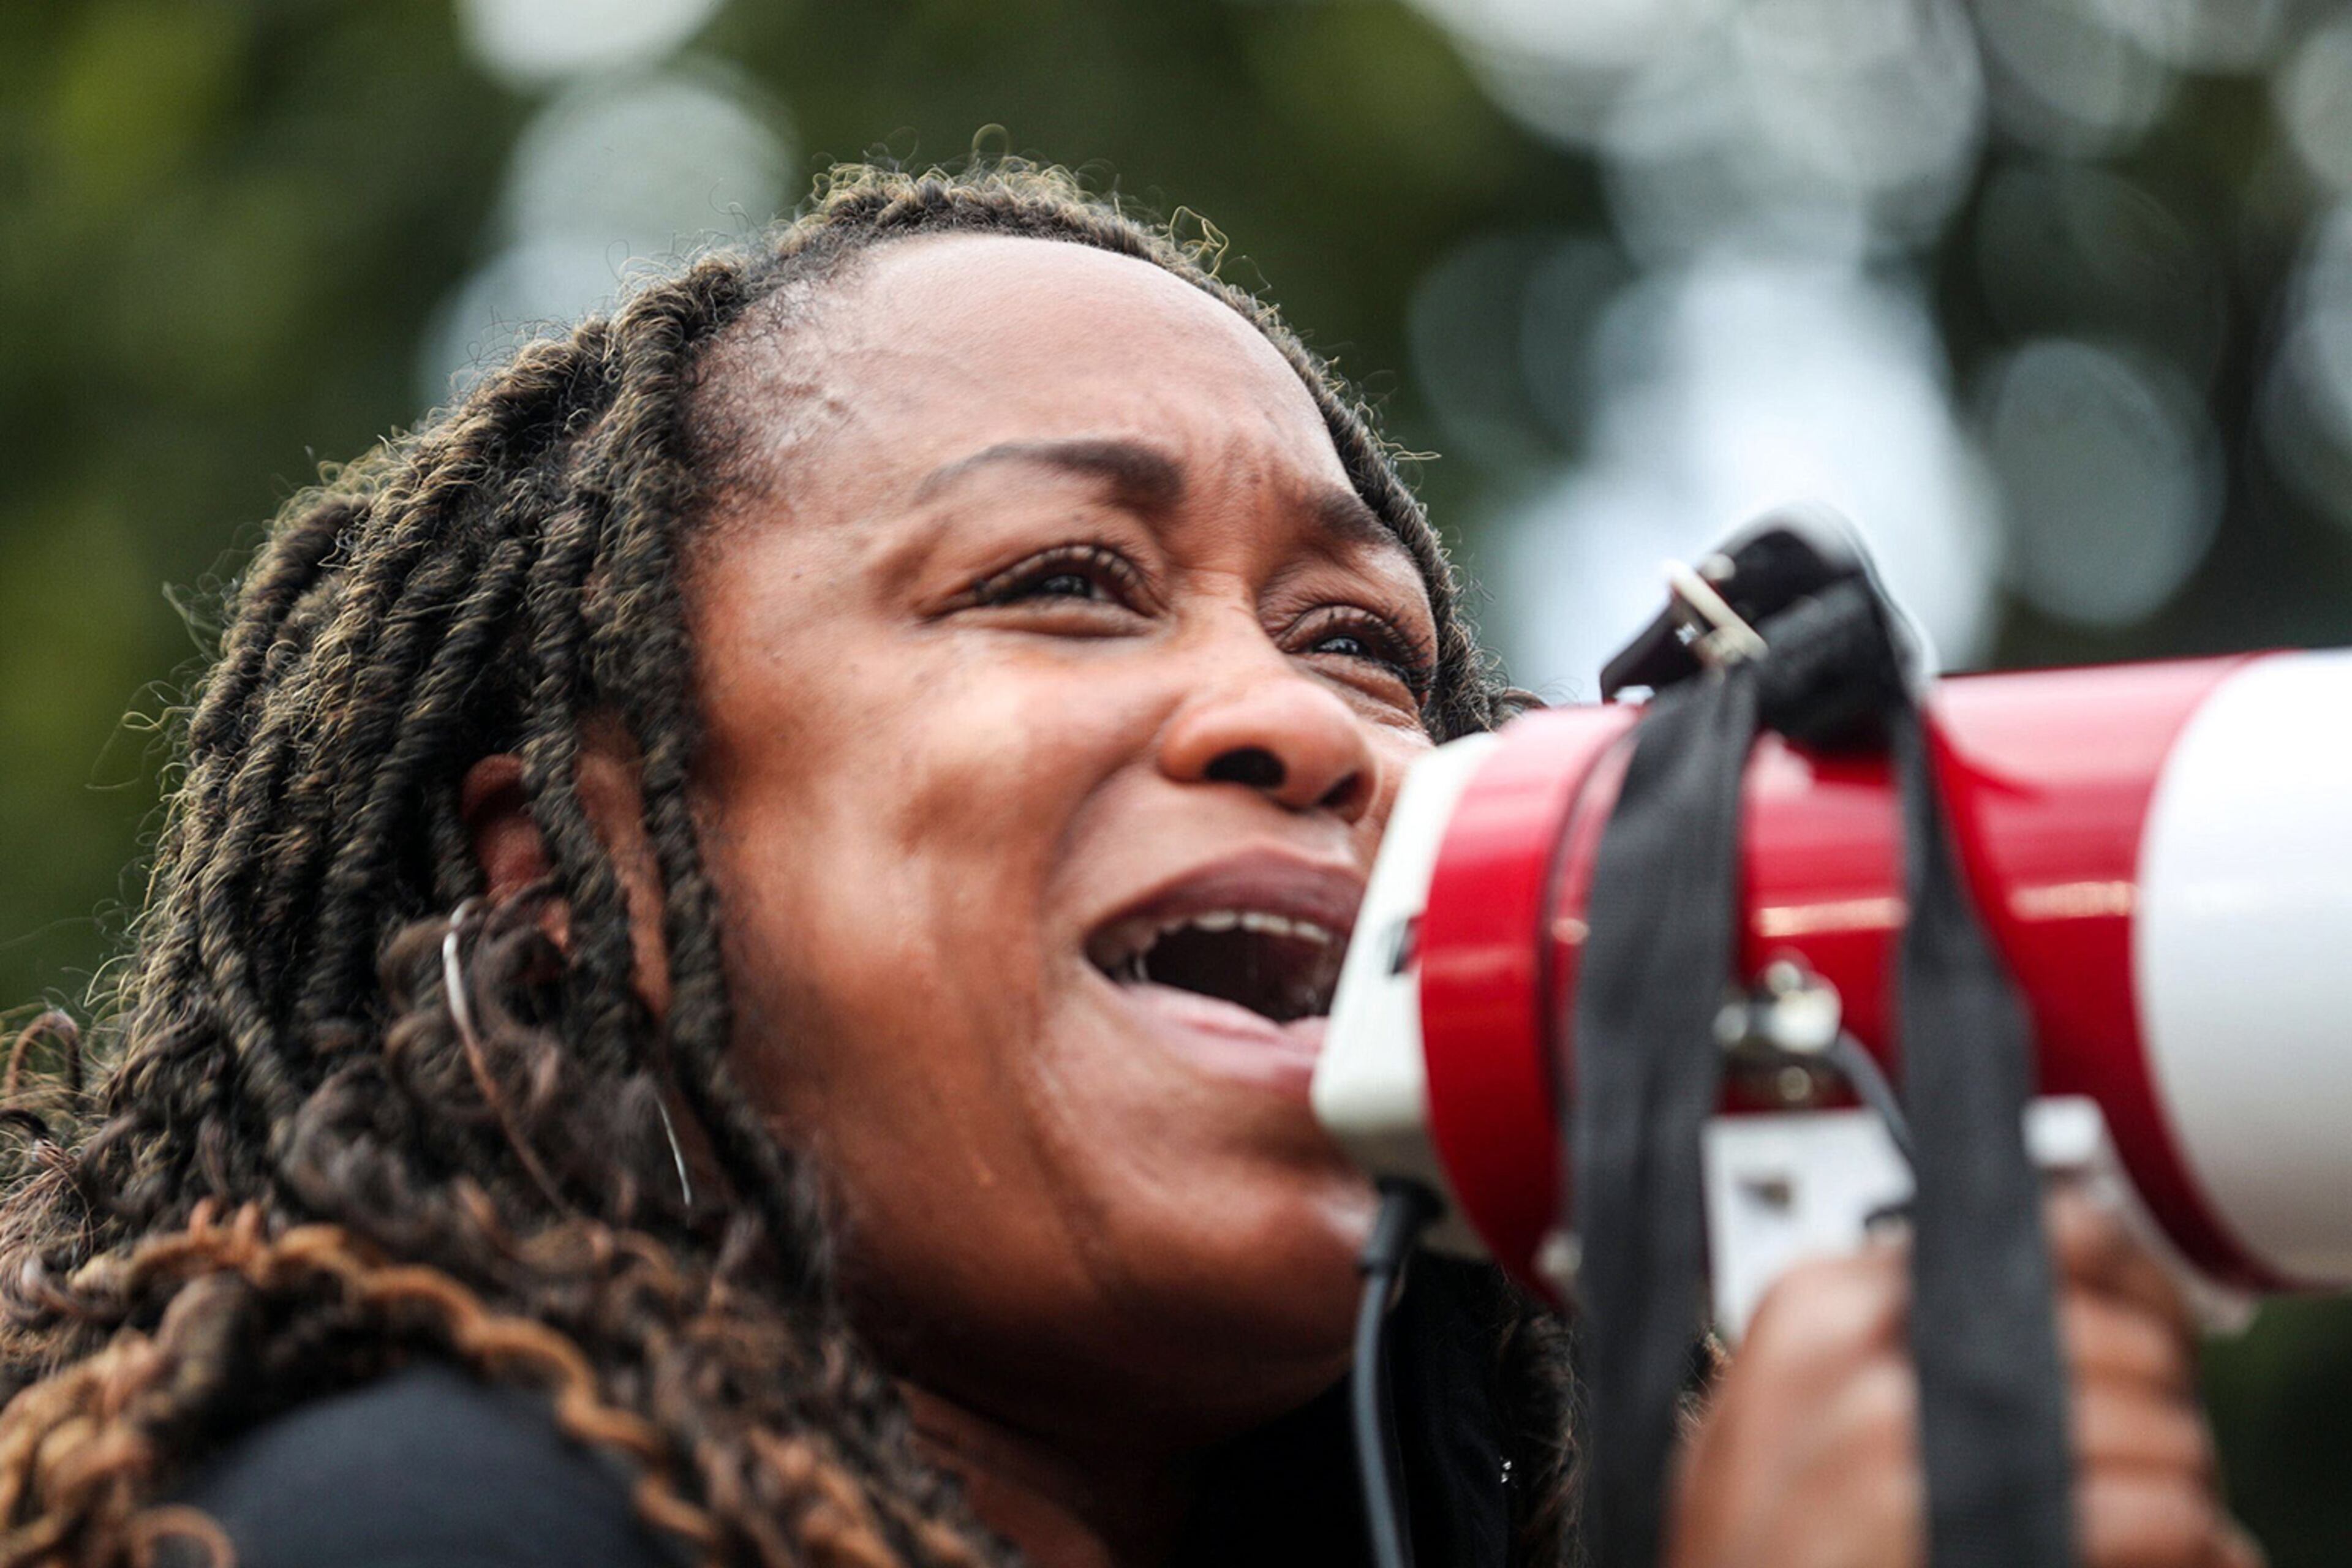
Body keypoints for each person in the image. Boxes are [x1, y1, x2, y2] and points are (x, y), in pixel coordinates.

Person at [0, 163, 2251, 1568]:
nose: (1304, 724)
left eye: (1368, 642)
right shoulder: (406, 1529)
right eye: (1064, 579)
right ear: (585, 882)